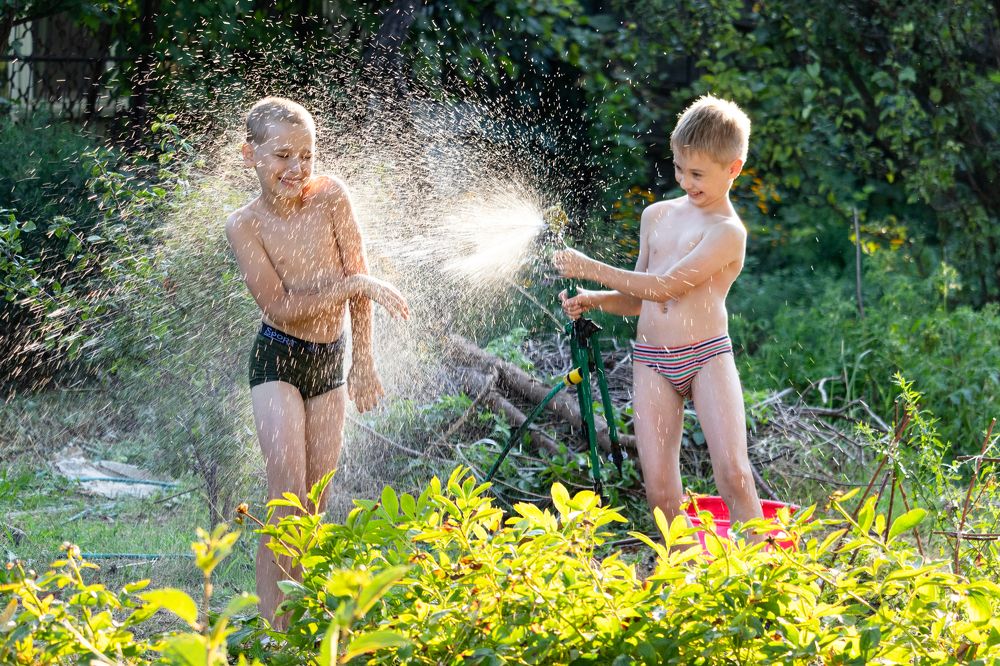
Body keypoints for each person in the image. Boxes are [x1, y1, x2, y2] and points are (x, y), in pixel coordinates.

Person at [225, 96, 409, 627]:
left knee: (314, 505)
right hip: (278, 359)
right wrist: (355, 285)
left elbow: (359, 282)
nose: (297, 168)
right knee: (285, 497)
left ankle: (302, 623)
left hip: (330, 359)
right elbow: (280, 307)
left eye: (306, 155)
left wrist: (363, 361)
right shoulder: (244, 224)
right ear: (250, 155)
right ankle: (272, 634)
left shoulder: (331, 197)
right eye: (283, 155)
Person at [552, 94, 764, 537]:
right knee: (661, 491)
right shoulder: (657, 216)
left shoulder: (728, 232)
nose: (685, 181)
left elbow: (667, 286)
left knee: (734, 474)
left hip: (706, 356)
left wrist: (589, 266)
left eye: (698, 174)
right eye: (679, 168)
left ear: (734, 169)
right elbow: (639, 297)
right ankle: (683, 570)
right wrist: (594, 298)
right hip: (652, 360)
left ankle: (758, 569)